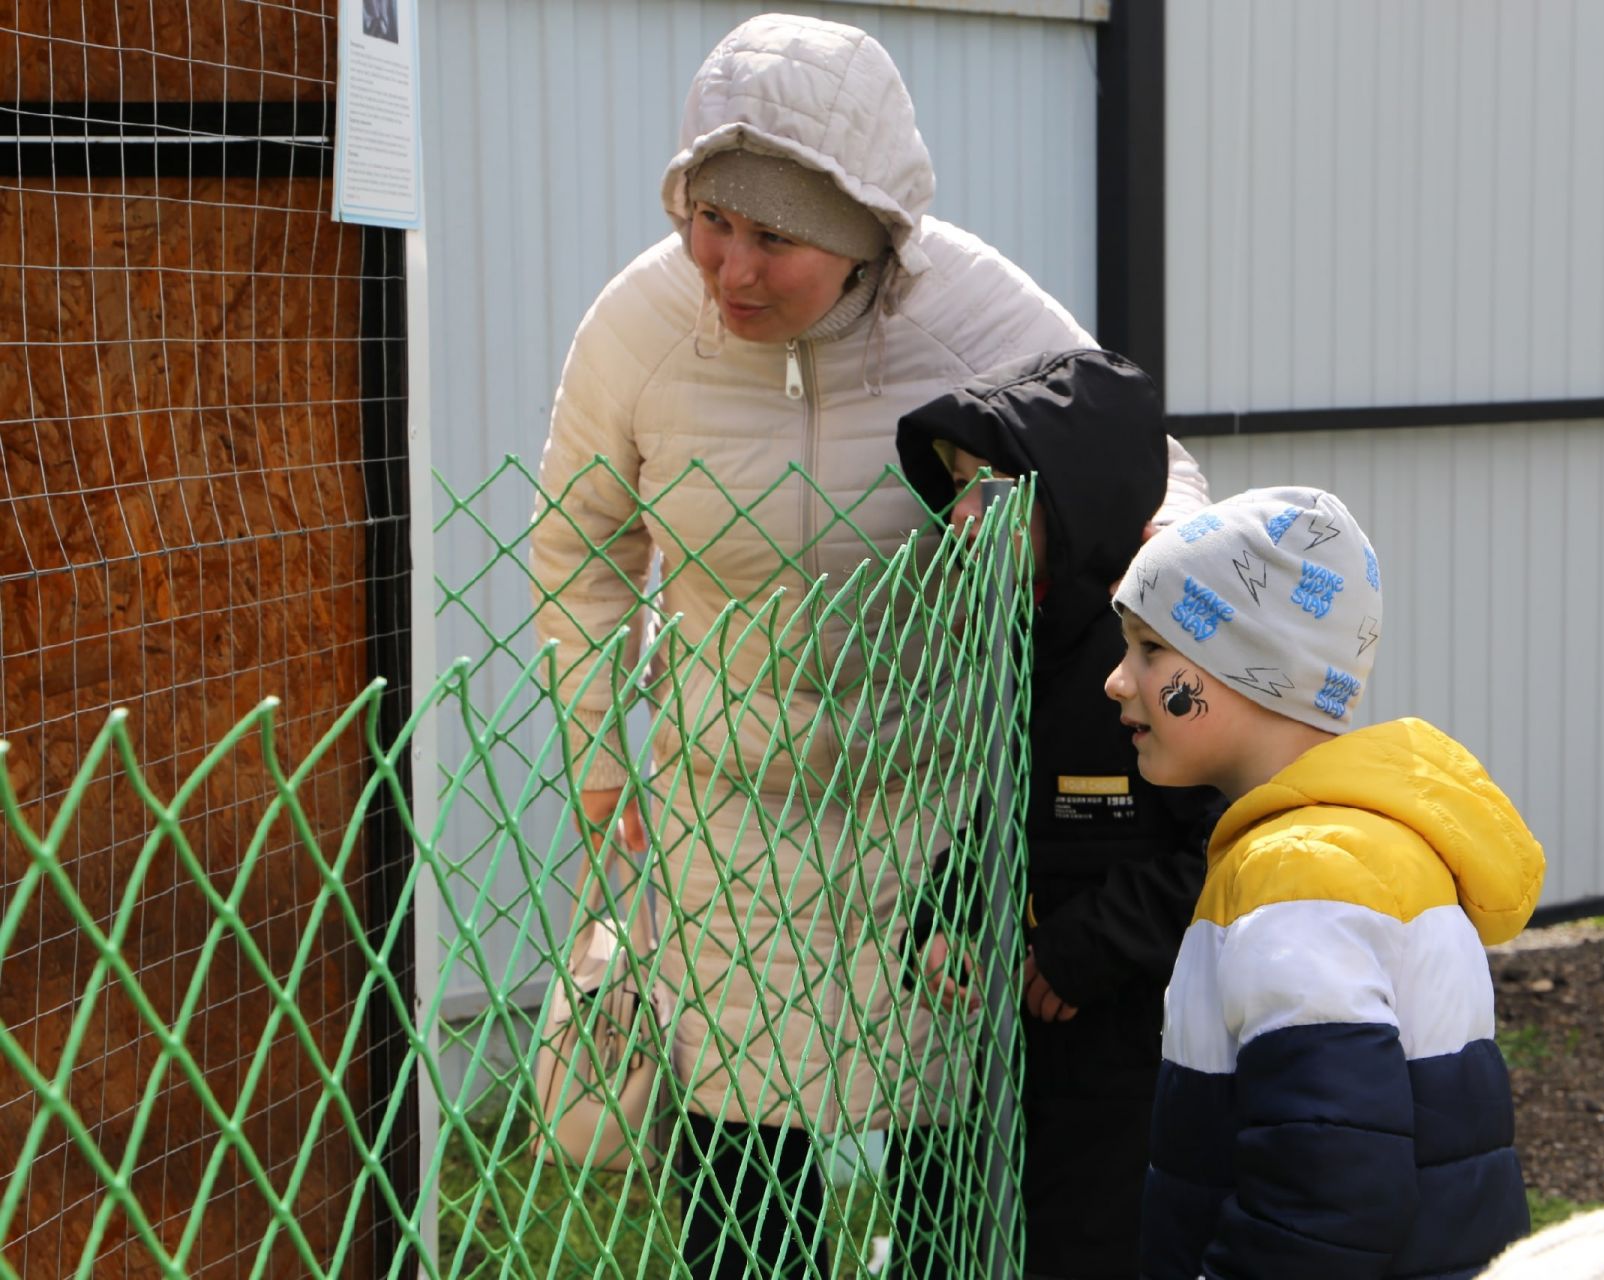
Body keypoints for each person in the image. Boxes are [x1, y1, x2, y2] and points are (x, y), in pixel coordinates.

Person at [527, 14, 1208, 1278]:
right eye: (707, 218)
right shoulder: (638, 326)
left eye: (773, 237)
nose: (726, 266)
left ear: (866, 234)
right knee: (742, 1192)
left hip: (934, 807)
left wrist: (1164, 574)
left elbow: (1149, 463)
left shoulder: (972, 306)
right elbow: (578, 550)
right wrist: (599, 751)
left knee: (947, 1175)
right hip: (726, 816)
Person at [1102, 486, 1547, 1279]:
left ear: (1255, 667)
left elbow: (1328, 1195)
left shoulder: (1299, 875)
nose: (1118, 681)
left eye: (1149, 648)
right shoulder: (1366, 845)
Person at [894, 349, 1219, 1279]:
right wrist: (953, 906)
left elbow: (1233, 838)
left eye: (991, 490)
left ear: (1077, 494)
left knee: (1102, 1242)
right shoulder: (1018, 634)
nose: (962, 519)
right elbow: (1007, 808)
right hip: (1027, 1051)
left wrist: (1093, 944)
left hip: (1142, 1050)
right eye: (955, 489)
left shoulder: (1164, 656)